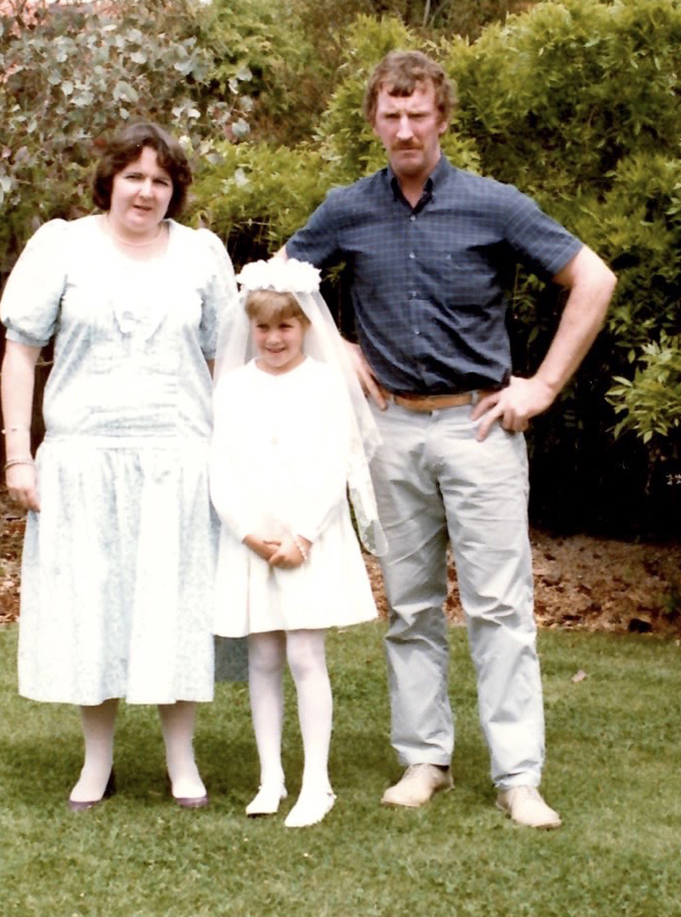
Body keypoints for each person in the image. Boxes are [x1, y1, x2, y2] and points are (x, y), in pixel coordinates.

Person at [281, 51, 617, 829]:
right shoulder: (347, 208)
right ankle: (424, 758)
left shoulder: (492, 204)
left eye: (418, 114)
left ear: (443, 118)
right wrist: (344, 351)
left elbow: (592, 279)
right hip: (390, 429)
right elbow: (279, 281)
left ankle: (518, 775)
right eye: (390, 116)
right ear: (375, 121)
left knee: (501, 607)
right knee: (410, 607)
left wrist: (543, 386)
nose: (405, 129)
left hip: (479, 427)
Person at [0, 121, 237, 811]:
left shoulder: (200, 256)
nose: (146, 190)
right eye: (134, 175)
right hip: (82, 460)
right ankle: (95, 762)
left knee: (175, 607)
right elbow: (20, 352)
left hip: (178, 458)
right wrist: (19, 453)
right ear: (109, 180)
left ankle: (181, 761)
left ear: (175, 191)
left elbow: (226, 358)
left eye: (161, 180)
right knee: (90, 607)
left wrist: (229, 453)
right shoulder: (63, 247)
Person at [209, 258, 386, 828]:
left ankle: (317, 782)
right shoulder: (233, 387)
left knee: (305, 654)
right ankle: (270, 778)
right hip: (252, 539)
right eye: (263, 328)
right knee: (261, 657)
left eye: (285, 326)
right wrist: (247, 533)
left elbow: (337, 461)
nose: (274, 338)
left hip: (308, 539)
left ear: (306, 325)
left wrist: (303, 536)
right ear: (250, 329)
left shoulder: (327, 384)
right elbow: (221, 468)